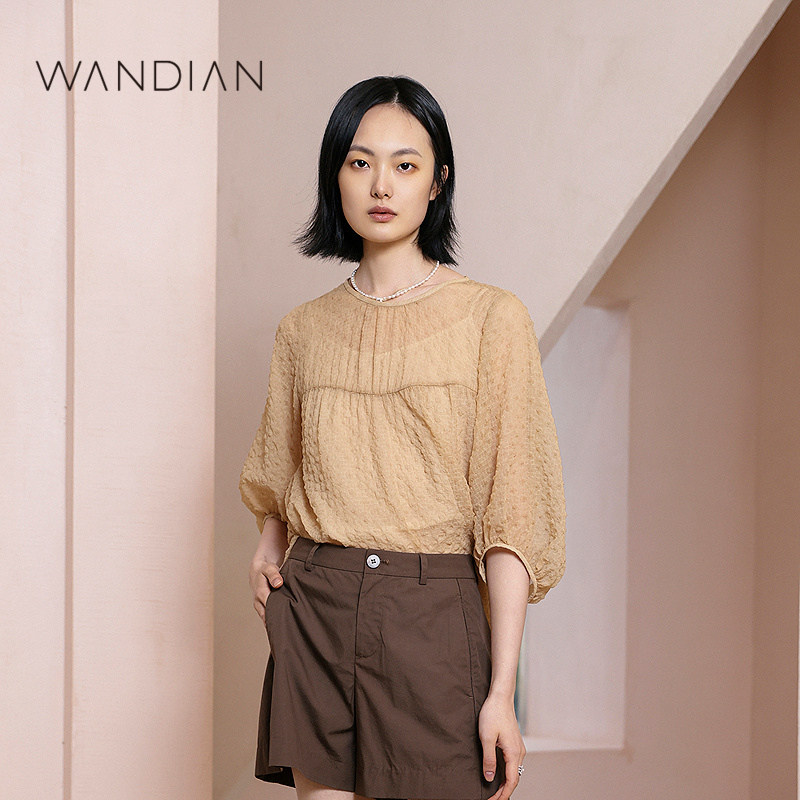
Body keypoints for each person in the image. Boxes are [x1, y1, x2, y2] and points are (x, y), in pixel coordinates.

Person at [238, 75, 566, 800]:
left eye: (405, 164)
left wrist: (501, 693)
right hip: (317, 607)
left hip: (433, 619)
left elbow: (512, 512)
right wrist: (267, 546)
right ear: (336, 176)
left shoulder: (492, 319)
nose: (381, 184)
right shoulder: (303, 330)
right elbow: (281, 471)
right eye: (360, 162)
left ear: (437, 182)